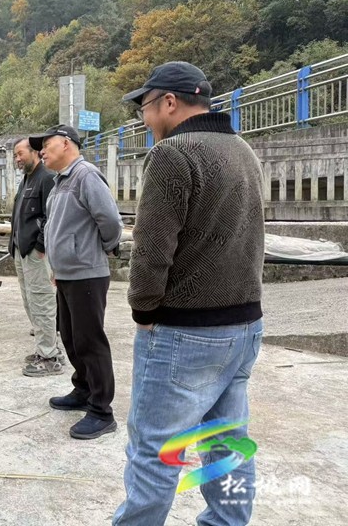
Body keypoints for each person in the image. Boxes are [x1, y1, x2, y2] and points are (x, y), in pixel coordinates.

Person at [113, 62, 265, 525]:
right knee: (228, 443)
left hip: (186, 331)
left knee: (155, 452)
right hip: (244, 326)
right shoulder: (244, 151)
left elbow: (152, 248)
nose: (144, 119)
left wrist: (143, 309)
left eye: (145, 107)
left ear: (170, 102)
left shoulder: (173, 155)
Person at [29, 124, 122, 440]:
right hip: (67, 275)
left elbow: (110, 221)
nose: (41, 150)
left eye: (46, 144)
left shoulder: (85, 176)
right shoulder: (60, 183)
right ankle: (83, 389)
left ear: (67, 143)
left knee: (89, 341)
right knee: (69, 336)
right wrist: (59, 262)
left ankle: (101, 410)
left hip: (87, 274)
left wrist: (97, 250)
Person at [8, 138, 65, 377]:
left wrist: (41, 246)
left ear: (34, 153)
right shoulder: (27, 179)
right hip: (21, 251)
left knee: (41, 301)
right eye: (15, 155)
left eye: (20, 154)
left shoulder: (46, 178)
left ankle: (49, 356)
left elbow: (52, 217)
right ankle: (47, 346)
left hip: (35, 252)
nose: (17, 159)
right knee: (30, 301)